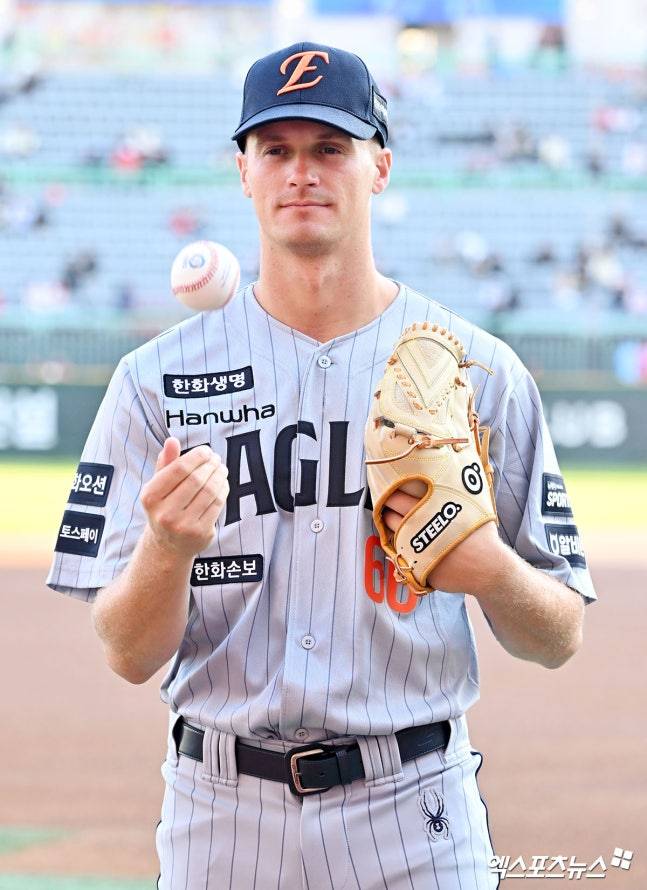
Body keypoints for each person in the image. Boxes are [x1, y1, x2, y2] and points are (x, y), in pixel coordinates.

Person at [47, 42, 596, 890]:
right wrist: (166, 548)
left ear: (379, 166)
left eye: (330, 147)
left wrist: (489, 571)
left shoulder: (476, 370)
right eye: (276, 149)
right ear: (243, 171)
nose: (301, 172)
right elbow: (126, 652)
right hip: (218, 811)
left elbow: (557, 637)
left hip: (415, 809)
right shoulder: (154, 382)